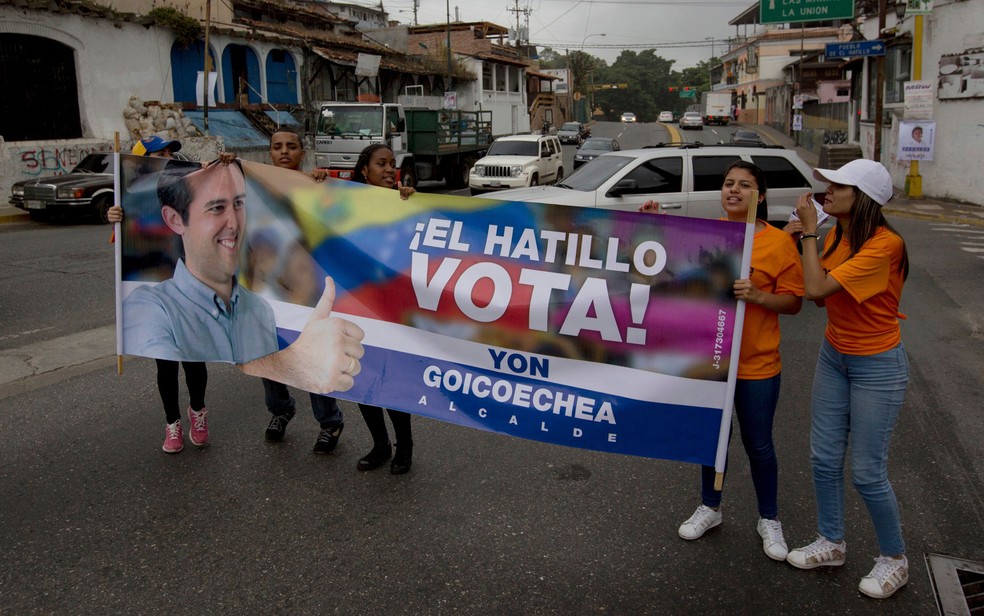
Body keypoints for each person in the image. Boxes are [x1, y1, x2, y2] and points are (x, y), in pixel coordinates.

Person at [641, 161, 804, 561]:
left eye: (745, 185)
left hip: (757, 365)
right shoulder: (710, 235)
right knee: (711, 442)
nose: (734, 190)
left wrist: (759, 296)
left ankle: (769, 518)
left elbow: (796, 301)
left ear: (760, 196)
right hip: (710, 360)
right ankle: (710, 507)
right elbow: (675, 268)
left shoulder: (780, 242)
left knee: (759, 444)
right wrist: (654, 223)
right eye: (729, 184)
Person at [785, 159, 911, 600]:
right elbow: (817, 296)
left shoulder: (885, 245)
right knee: (822, 458)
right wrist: (802, 239)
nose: (827, 191)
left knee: (867, 472)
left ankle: (894, 559)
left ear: (863, 199)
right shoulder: (838, 233)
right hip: (834, 354)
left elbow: (817, 290)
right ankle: (831, 541)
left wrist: (807, 233)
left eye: (838, 186)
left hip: (877, 364)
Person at [110, 136, 209, 453]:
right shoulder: (129, 199)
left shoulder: (185, 190)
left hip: (189, 285)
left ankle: (198, 411)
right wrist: (115, 219)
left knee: (193, 357)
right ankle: (172, 424)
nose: (167, 158)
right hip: (153, 291)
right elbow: (124, 247)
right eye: (159, 154)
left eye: (169, 153)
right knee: (166, 362)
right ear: (141, 161)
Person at [260, 129, 346, 455]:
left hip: (306, 287)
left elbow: (350, 209)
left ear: (302, 152)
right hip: (267, 289)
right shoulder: (253, 186)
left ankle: (329, 420)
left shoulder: (314, 187)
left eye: (291, 147)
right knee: (268, 355)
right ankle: (280, 410)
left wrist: (325, 185)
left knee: (311, 355)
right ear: (269, 152)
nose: (284, 152)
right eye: (277, 146)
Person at [350, 143, 415, 474]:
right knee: (361, 379)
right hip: (357, 306)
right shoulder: (344, 201)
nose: (390, 169)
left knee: (391, 381)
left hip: (392, 310)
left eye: (393, 164)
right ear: (365, 170)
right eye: (381, 164)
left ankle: (404, 445)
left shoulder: (404, 202)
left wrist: (413, 201)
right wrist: (315, 179)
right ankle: (379, 445)